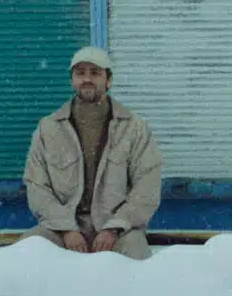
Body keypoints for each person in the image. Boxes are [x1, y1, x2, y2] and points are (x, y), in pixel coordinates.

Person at [19, 46, 162, 260]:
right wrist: (66, 229)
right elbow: (37, 185)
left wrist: (114, 228)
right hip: (61, 229)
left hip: (119, 230)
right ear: (72, 80)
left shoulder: (134, 128)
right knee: (28, 250)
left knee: (136, 254)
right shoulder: (48, 128)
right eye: (80, 73)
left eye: (95, 73)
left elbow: (147, 186)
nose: (87, 79)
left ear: (108, 80)